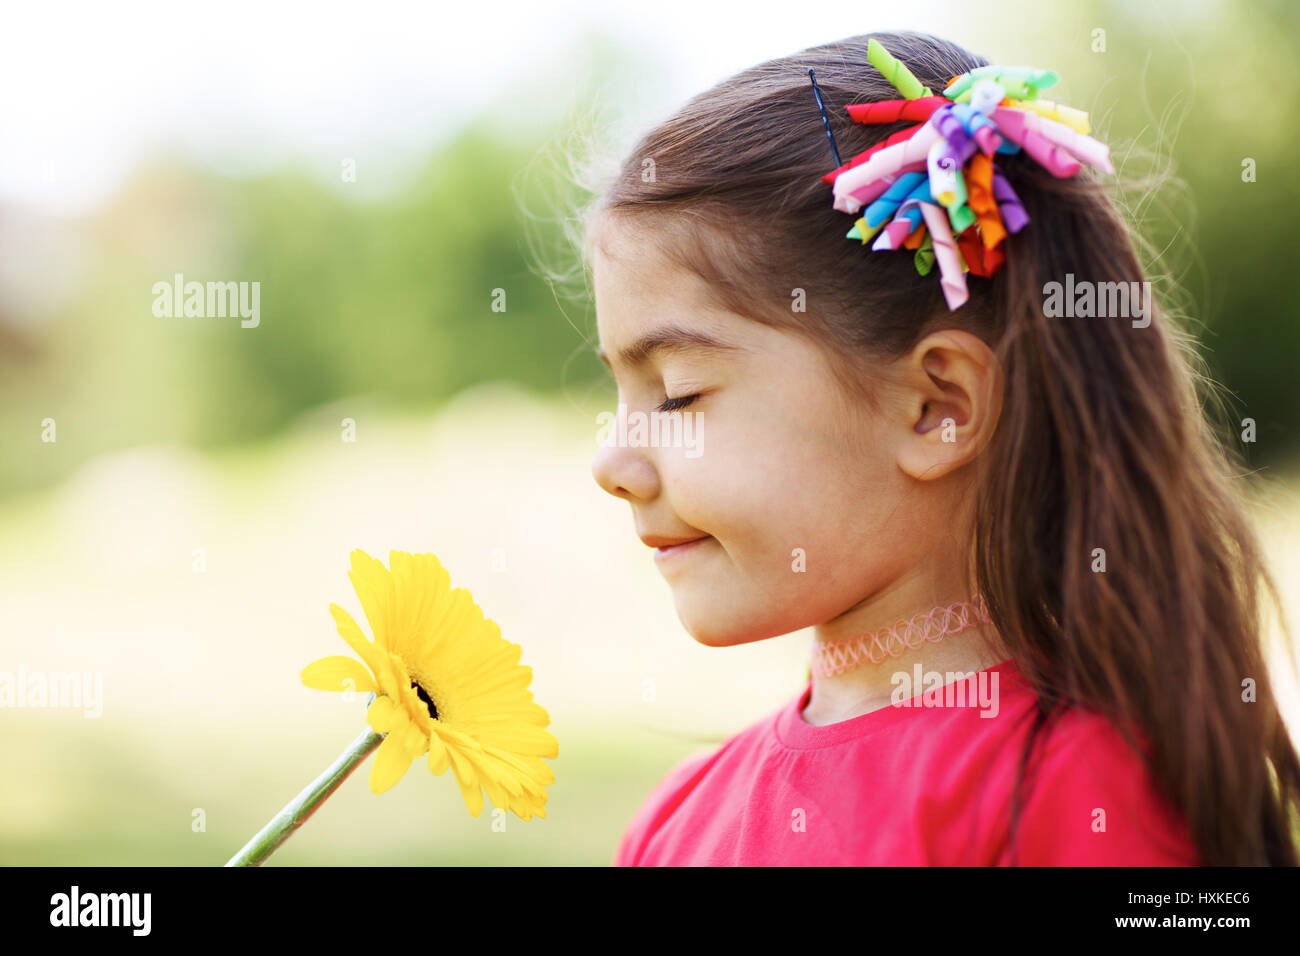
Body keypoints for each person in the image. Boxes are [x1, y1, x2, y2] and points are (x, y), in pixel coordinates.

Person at [585, 30, 1300, 865]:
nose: (611, 464)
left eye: (677, 393)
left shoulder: (1072, 790)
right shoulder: (675, 823)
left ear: (938, 408)